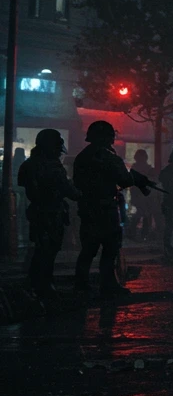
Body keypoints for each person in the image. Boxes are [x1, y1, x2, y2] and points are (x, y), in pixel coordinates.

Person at [73, 121, 155, 296]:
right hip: (106, 209)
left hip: (88, 208)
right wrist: (137, 179)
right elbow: (124, 180)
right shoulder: (109, 156)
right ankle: (108, 284)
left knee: (88, 249)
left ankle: (81, 284)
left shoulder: (82, 156)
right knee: (110, 247)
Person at [18, 129, 81, 297]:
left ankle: (34, 283)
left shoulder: (29, 164)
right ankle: (44, 285)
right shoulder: (52, 166)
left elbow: (24, 185)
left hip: (37, 211)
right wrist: (81, 194)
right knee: (50, 249)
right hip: (51, 212)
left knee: (40, 248)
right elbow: (67, 189)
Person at [129, 149, 159, 241]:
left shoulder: (134, 168)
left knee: (142, 213)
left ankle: (134, 233)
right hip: (144, 194)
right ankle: (142, 234)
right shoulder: (148, 168)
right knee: (145, 214)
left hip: (140, 194)